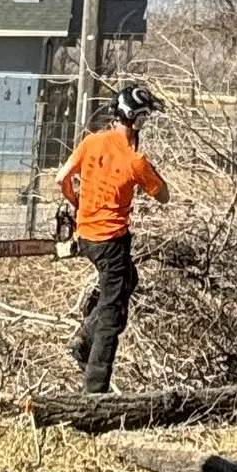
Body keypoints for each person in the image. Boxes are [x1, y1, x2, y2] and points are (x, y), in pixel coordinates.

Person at [58, 81, 169, 393]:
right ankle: (94, 388)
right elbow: (164, 196)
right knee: (111, 313)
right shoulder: (136, 161)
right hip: (112, 242)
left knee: (127, 282)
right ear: (138, 120)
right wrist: (147, 169)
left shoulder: (92, 142)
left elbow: (61, 177)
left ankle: (85, 333)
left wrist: (76, 202)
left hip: (87, 235)